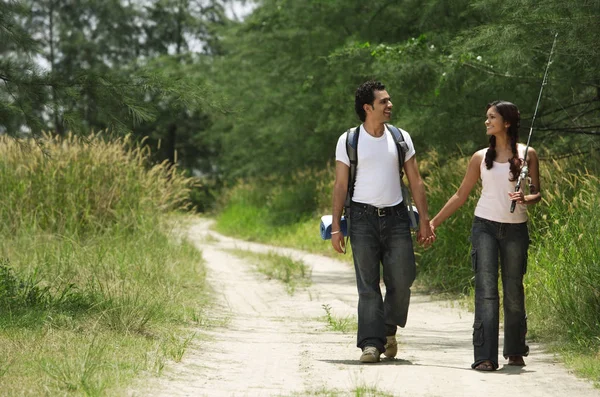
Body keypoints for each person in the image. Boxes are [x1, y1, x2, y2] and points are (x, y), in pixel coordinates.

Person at [430, 100, 542, 371]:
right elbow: (460, 195)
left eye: (491, 117)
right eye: (486, 117)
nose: (486, 122)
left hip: (517, 229)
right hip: (485, 228)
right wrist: (433, 223)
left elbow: (538, 193)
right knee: (486, 292)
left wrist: (526, 197)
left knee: (514, 290)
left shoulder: (529, 154)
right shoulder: (480, 157)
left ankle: (515, 350)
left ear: (507, 122)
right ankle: (484, 356)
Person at [330, 80, 435, 363]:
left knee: (402, 280)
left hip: (397, 217)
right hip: (362, 219)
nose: (390, 105)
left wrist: (424, 220)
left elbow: (415, 180)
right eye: (384, 102)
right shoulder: (349, 140)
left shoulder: (400, 138)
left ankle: (388, 329)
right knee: (368, 284)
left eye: (389, 101)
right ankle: (371, 344)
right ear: (368, 108)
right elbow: (340, 186)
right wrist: (337, 227)